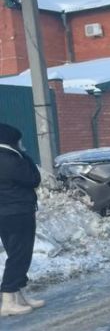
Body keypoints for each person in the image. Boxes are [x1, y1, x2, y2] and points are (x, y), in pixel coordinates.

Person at [0, 124, 45, 316]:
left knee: (15, 254)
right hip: (17, 212)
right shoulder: (9, 159)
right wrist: (25, 155)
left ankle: (20, 296)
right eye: (19, 140)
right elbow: (33, 179)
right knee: (20, 255)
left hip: (6, 213)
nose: (21, 143)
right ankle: (8, 299)